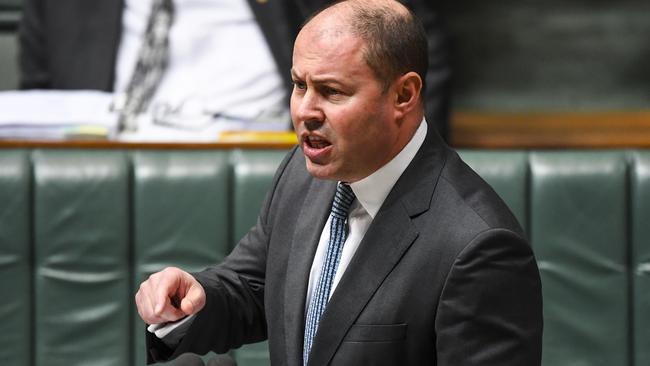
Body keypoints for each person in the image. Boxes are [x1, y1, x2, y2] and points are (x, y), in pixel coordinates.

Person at [136, 1, 542, 365]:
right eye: (299, 85)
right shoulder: (304, 171)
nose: (305, 111)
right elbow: (257, 287)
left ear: (404, 95)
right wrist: (194, 299)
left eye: (331, 91)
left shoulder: (478, 247)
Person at [17, 0, 451, 139]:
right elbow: (40, 116)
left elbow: (406, 56)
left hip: (279, 186)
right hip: (93, 207)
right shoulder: (59, 8)